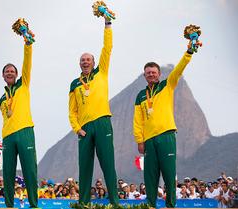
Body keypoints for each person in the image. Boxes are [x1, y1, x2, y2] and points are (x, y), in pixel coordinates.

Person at [133, 40, 197, 207]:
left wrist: (188, 52)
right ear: (144, 75)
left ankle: (170, 205)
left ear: (159, 74)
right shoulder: (141, 95)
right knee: (150, 176)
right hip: (149, 140)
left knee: (169, 174)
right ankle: (150, 205)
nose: (151, 75)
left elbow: (179, 69)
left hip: (166, 136)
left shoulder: (167, 85)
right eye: (148, 73)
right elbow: (137, 120)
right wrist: (139, 140)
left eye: (154, 72)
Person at [68, 15, 118, 205]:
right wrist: (77, 128)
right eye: (82, 60)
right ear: (79, 64)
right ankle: (83, 203)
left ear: (94, 62)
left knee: (108, 164)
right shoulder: (74, 84)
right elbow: (72, 111)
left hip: (103, 122)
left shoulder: (101, 72)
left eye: (88, 59)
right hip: (85, 128)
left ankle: (114, 202)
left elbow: (107, 48)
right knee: (85, 167)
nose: (85, 62)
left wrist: (107, 24)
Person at [0, 26, 38, 208]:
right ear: (3, 76)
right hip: (8, 136)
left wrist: (27, 43)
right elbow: (7, 116)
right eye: (6, 71)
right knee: (7, 173)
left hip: (25, 131)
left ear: (16, 74)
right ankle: (9, 205)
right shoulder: (1, 99)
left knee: (30, 170)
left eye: (12, 71)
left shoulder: (24, 83)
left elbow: (27, 63)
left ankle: (33, 204)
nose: (10, 73)